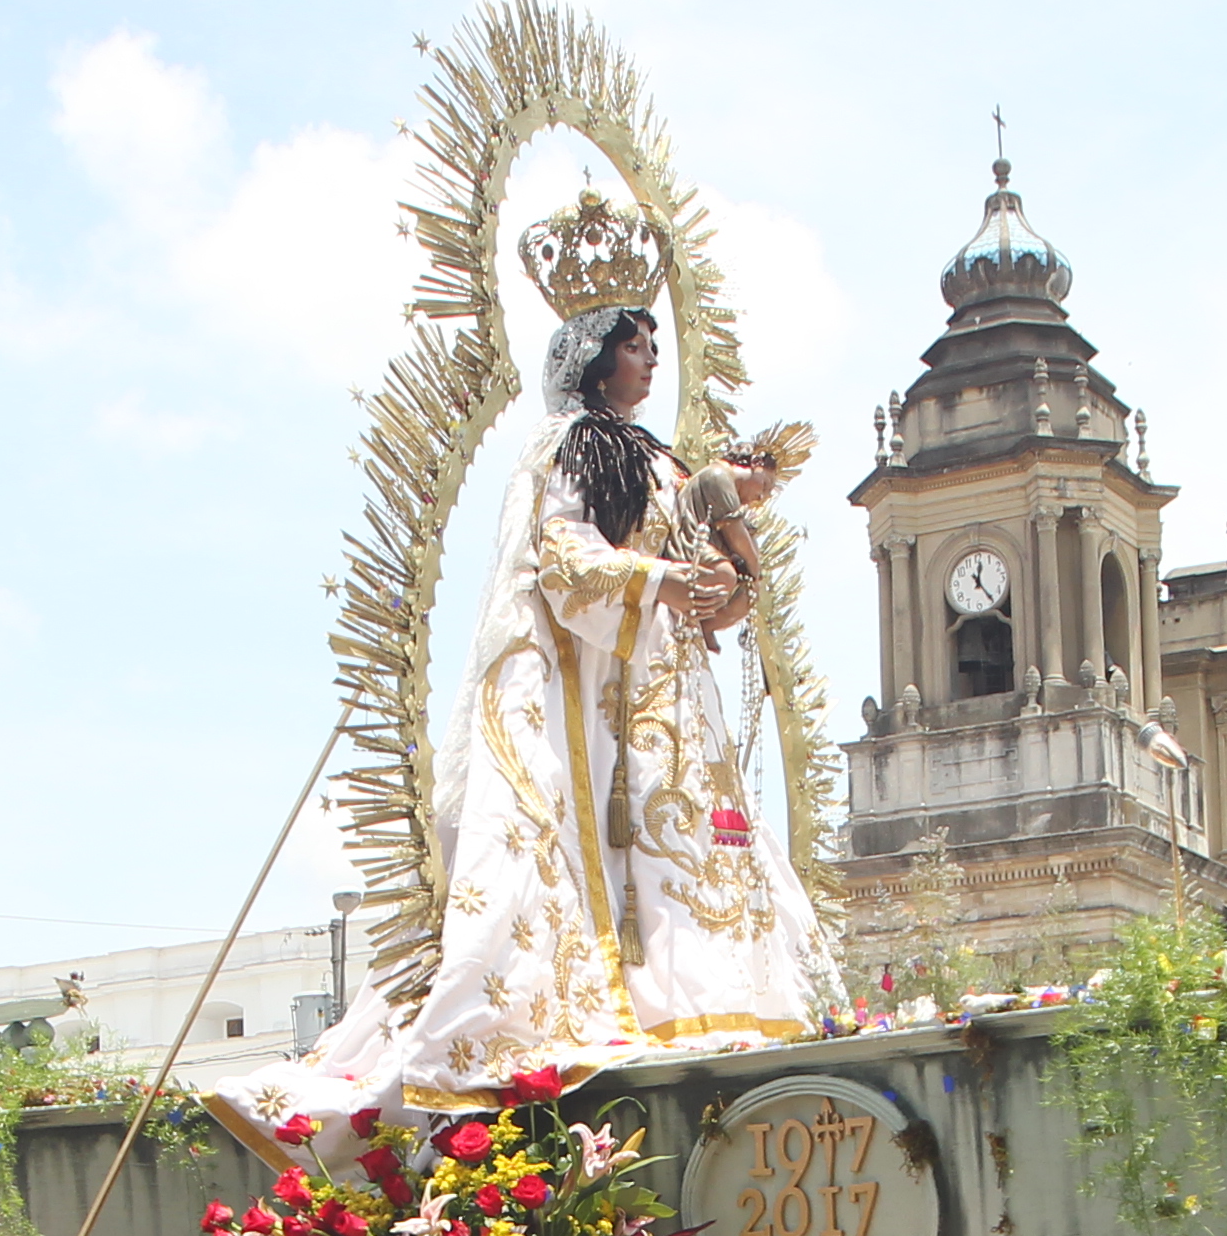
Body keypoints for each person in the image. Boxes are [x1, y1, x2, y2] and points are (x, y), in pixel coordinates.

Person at [252, 288, 829, 1120]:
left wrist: (723, 550)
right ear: (593, 359)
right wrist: (662, 579)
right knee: (606, 841)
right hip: (599, 690)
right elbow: (563, 560)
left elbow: (716, 591)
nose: (651, 360)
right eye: (633, 344)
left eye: (654, 345)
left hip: (671, 694)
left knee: (691, 845)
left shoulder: (661, 462)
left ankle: (711, 1007)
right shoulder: (573, 445)